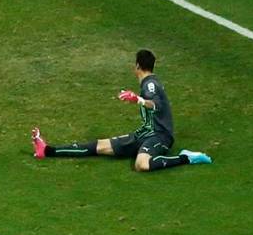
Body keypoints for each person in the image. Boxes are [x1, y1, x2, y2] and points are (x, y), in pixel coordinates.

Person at [32, 50, 212, 172]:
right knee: (100, 146)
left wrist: (138, 99)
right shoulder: (149, 82)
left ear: (137, 66)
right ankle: (47, 150)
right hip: (145, 133)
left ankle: (186, 158)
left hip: (160, 136)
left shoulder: (149, 84)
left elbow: (155, 104)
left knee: (142, 165)